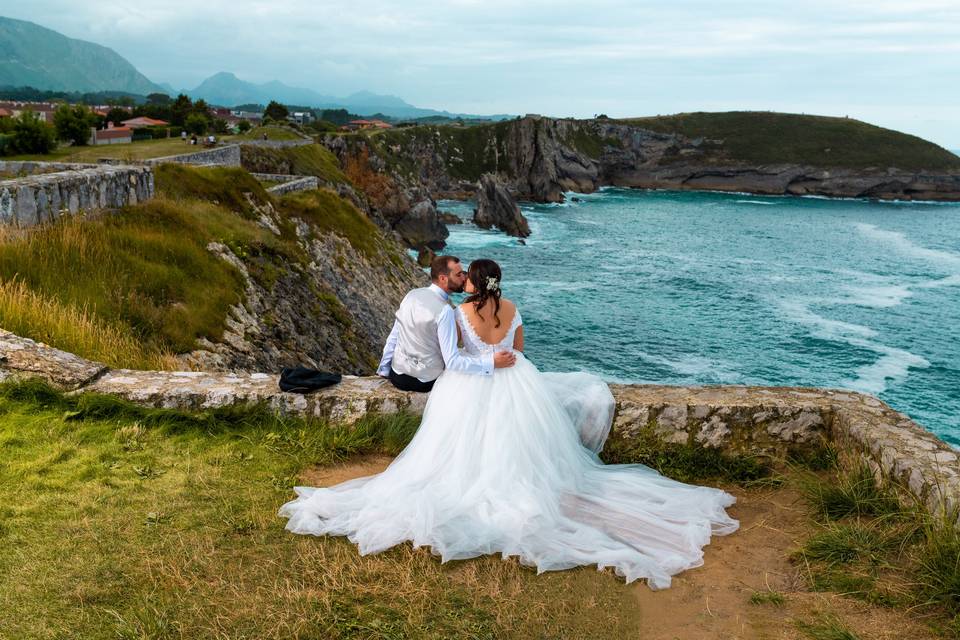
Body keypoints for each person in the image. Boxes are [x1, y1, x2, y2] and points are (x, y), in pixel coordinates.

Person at [278, 259, 739, 589]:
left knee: (461, 447)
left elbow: (455, 357)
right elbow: (519, 348)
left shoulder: (459, 312)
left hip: (473, 383)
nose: (460, 283)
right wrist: (503, 359)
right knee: (520, 444)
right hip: (517, 379)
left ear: (472, 284)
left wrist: (477, 359)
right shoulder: (513, 308)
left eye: (465, 277)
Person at [376, 255, 515, 393]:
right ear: (443, 278)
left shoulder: (411, 294)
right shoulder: (445, 310)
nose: (465, 278)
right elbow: (452, 362)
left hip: (397, 375)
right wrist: (491, 363)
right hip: (425, 382)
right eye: (459, 274)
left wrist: (383, 369)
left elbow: (394, 335)